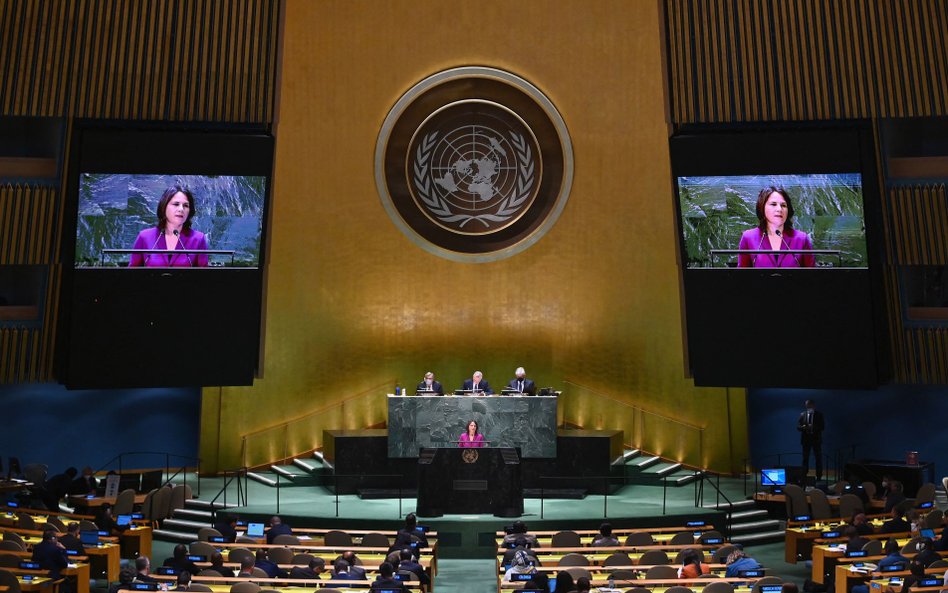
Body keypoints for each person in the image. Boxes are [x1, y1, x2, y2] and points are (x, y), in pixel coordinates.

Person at [129, 184, 209, 267]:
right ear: (164, 206)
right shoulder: (144, 237)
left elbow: (203, 276)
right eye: (176, 204)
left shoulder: (198, 239)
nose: (181, 209)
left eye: (185, 205)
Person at [737, 186, 815, 268]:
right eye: (773, 204)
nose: (779, 209)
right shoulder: (748, 237)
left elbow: (812, 276)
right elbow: (742, 276)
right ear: (762, 207)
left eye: (783, 205)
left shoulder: (801, 238)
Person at [797, 399, 825, 484]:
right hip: (806, 440)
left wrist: (813, 427)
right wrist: (804, 428)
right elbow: (798, 426)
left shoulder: (819, 415)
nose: (808, 407)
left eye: (809, 406)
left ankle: (819, 476)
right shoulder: (802, 414)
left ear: (813, 406)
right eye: (807, 406)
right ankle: (804, 476)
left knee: (818, 459)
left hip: (816, 440)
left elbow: (822, 427)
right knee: (805, 459)